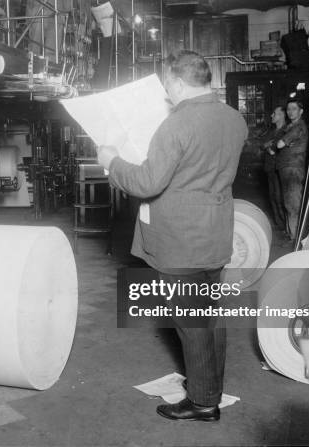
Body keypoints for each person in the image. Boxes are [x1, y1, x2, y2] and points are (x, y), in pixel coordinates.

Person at [97, 51, 247, 421]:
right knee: (211, 319)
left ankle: (201, 403)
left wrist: (111, 162)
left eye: (168, 87)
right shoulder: (234, 119)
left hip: (181, 243)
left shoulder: (176, 125)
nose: (167, 95)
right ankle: (210, 390)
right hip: (216, 235)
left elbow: (148, 182)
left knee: (190, 324)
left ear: (179, 83)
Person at [275, 99, 308, 240]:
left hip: (293, 169)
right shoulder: (291, 126)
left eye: (294, 109)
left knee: (293, 205)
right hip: (287, 168)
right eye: (288, 109)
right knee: (289, 204)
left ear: (301, 111)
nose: (290, 111)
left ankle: (296, 239)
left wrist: (282, 142)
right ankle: (291, 235)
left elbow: (280, 144)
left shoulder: (298, 127)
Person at [261, 106, 287, 229]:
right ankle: (280, 225)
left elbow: (279, 148)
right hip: (270, 168)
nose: (272, 115)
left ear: (282, 116)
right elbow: (264, 144)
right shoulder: (272, 131)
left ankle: (286, 227)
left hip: (280, 169)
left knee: (280, 197)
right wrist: (268, 146)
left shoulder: (286, 131)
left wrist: (269, 147)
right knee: (273, 196)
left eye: (275, 114)